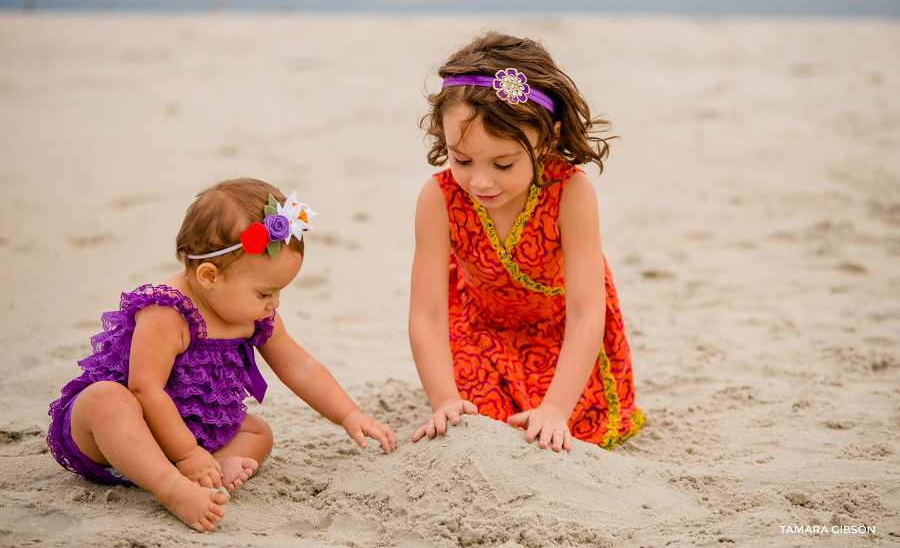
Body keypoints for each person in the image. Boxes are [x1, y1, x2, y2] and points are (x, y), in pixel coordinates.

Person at [47, 178, 398, 532]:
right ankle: (170, 486)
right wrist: (186, 454)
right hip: (119, 440)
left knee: (258, 433)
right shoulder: (167, 312)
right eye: (265, 293)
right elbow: (144, 389)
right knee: (106, 400)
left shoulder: (252, 314)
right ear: (210, 276)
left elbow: (299, 365)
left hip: (193, 431)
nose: (275, 303)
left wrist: (349, 414)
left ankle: (214, 465)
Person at [409, 32, 644, 454]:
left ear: (547, 138)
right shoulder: (438, 198)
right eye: (461, 159)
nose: (480, 181)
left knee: (562, 428)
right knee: (478, 422)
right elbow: (427, 315)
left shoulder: (571, 192)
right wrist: (443, 399)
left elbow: (588, 312)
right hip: (479, 328)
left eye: (503, 163)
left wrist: (555, 408)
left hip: (564, 331)